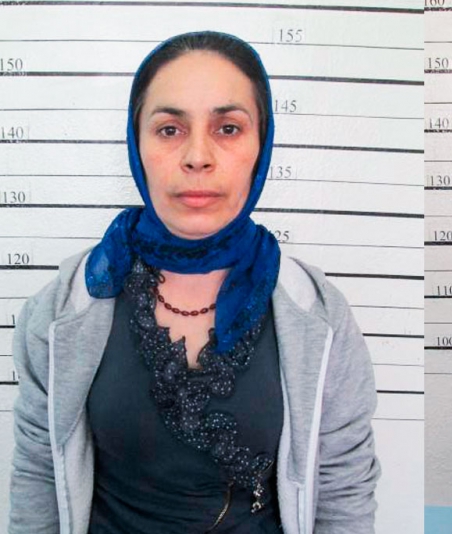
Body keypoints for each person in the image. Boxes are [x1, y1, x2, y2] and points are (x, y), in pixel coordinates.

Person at [9, 31, 380, 534]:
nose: (197, 156)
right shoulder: (58, 311)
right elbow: (37, 481)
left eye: (228, 128)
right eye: (169, 130)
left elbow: (343, 493)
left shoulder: (321, 317)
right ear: (137, 144)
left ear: (261, 145)